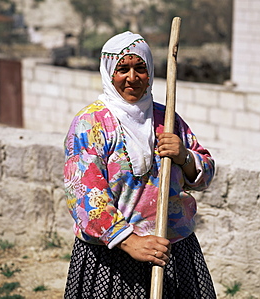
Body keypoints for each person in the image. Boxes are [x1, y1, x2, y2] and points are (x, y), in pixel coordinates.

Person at [63, 31, 217, 299]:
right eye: (122, 69)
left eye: (140, 68)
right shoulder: (90, 124)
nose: (132, 78)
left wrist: (184, 156)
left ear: (151, 72)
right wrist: (130, 242)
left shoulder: (167, 119)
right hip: (113, 258)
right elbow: (85, 197)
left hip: (173, 252)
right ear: (109, 73)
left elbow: (205, 174)